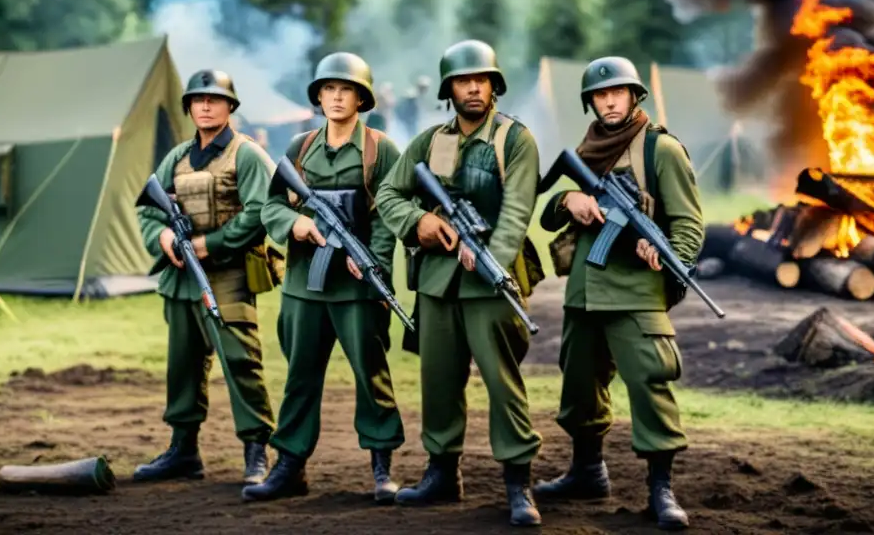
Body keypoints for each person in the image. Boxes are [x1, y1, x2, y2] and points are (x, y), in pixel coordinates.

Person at [374, 39, 543, 527]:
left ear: (494, 86)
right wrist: (418, 222)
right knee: (439, 381)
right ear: (449, 89)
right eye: (463, 81)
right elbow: (390, 191)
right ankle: (441, 472)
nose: (473, 87)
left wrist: (490, 255)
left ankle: (518, 481)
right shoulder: (432, 141)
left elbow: (516, 212)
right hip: (436, 281)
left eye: (481, 79)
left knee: (501, 382)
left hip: (492, 281)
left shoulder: (514, 139)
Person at [533, 56, 704, 531]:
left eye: (618, 93)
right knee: (579, 385)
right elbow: (547, 214)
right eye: (601, 95)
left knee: (651, 383)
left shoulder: (660, 150)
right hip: (585, 292)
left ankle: (661, 489)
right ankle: (587, 472)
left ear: (634, 97)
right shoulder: (585, 151)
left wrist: (668, 256)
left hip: (635, 292)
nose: (609, 101)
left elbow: (688, 223)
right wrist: (570, 200)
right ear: (590, 101)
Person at [242, 52, 406, 504]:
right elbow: (271, 205)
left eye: (346, 89)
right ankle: (290, 466)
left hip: (356, 287)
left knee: (372, 375)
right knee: (300, 376)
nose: (336, 97)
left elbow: (388, 217)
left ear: (361, 97)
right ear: (318, 96)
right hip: (304, 286)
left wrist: (373, 265)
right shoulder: (299, 148)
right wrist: (294, 225)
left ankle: (381, 466)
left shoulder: (380, 150)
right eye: (328, 89)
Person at [134, 69, 278, 485]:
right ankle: (183, 450)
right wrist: (162, 236)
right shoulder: (176, 158)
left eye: (214, 99)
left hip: (228, 274)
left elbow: (260, 212)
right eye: (198, 100)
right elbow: (148, 207)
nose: (205, 106)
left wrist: (208, 245)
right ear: (189, 107)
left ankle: (256, 450)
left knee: (240, 361)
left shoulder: (246, 154)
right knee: (183, 366)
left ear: (230, 106)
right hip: (180, 280)